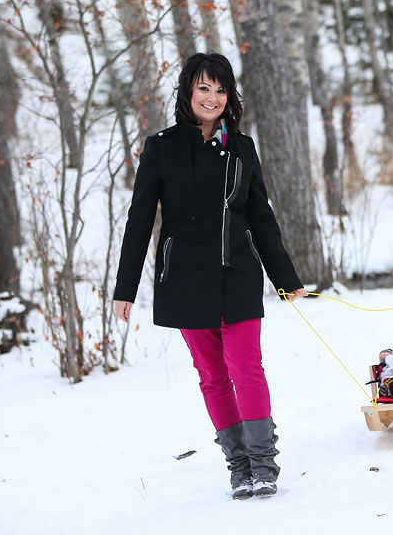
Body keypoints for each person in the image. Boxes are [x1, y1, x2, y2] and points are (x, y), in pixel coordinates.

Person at [113, 52, 307, 499]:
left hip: (238, 274)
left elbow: (261, 215)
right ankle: (239, 466)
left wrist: (284, 277)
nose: (212, 97)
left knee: (247, 367)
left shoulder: (242, 147)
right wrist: (125, 287)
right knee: (212, 374)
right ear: (187, 91)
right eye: (204, 88)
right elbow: (139, 219)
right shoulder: (160, 147)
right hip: (184, 280)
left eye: (220, 90)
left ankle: (263, 463)